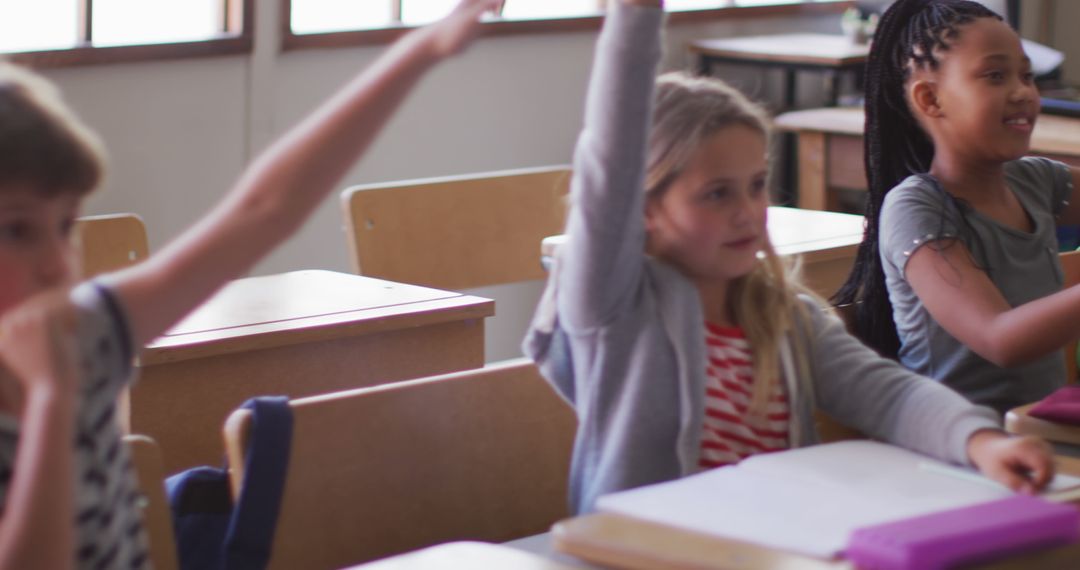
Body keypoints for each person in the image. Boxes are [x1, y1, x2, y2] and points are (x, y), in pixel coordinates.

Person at [0, 1, 500, 567]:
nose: (55, 262)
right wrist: (51, 400)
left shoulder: (84, 331)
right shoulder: (66, 363)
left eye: (64, 226)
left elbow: (265, 210)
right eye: (17, 230)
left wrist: (418, 51)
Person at [523, 0, 1052, 515]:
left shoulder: (783, 316)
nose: (747, 212)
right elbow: (609, 165)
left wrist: (982, 442)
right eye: (716, 193)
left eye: (756, 186)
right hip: (638, 554)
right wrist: (635, 16)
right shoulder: (616, 311)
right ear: (642, 207)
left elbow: (888, 395)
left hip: (770, 543)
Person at [834, 0, 1080, 415]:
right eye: (995, 76)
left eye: (1026, 75)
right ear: (931, 99)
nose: (1023, 92)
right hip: (958, 449)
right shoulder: (917, 207)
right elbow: (1000, 339)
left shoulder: (1038, 182)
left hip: (1039, 435)